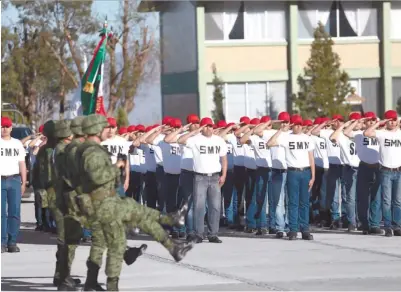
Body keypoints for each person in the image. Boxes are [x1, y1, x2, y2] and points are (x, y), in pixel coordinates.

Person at [75, 114, 194, 290]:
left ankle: (95, 280)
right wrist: (116, 168)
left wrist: (122, 172)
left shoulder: (97, 147)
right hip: (97, 200)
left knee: (105, 239)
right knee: (117, 232)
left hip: (104, 197)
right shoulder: (90, 150)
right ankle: (169, 226)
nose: (111, 130)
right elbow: (95, 177)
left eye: (112, 128)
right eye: (107, 128)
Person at [178, 117, 228, 243]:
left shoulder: (219, 140)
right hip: (200, 177)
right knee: (199, 206)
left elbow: (224, 159)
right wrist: (195, 131)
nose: (208, 128)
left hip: (215, 176)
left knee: (215, 206)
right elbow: (180, 140)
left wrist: (224, 175)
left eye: (210, 126)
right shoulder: (195, 140)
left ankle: (213, 234)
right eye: (205, 126)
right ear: (201, 127)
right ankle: (199, 234)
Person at [267, 114, 315, 240]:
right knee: (293, 202)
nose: (298, 127)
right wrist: (280, 130)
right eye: (296, 124)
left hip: (305, 171)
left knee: (304, 203)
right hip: (292, 172)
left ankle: (305, 229)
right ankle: (293, 230)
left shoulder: (307, 138)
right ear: (292, 125)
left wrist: (313, 176)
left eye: (300, 124)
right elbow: (270, 143)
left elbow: (311, 158)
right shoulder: (286, 138)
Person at [343, 112, 382, 235]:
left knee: (376, 197)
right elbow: (345, 132)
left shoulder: (379, 134)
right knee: (363, 197)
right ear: (364, 122)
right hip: (364, 167)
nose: (371, 123)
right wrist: (357, 121)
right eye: (368, 121)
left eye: (373, 121)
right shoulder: (359, 134)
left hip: (378, 167)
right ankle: (364, 224)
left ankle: (374, 224)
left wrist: (378, 123)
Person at [364, 110, 401, 237]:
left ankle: (397, 226)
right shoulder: (381, 133)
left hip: (399, 171)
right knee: (386, 201)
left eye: (394, 119)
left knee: (397, 201)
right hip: (385, 171)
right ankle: (388, 226)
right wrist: (380, 122)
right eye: (389, 120)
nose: (392, 122)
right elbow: (367, 133)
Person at [330, 113, 362, 232]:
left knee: (362, 197)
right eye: (355, 122)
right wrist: (345, 125)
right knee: (350, 197)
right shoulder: (343, 136)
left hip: (362, 168)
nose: (357, 124)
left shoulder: (363, 134)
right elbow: (332, 137)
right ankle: (352, 222)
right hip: (349, 168)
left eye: (359, 122)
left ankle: (361, 221)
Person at [1, 117, 27, 253]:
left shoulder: (17, 144)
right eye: (2, 126)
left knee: (15, 212)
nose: (4, 129)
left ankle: (12, 242)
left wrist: (24, 182)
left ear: (11, 128)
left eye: (7, 126)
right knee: (1, 213)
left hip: (15, 179)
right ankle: (2, 242)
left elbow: (22, 163)